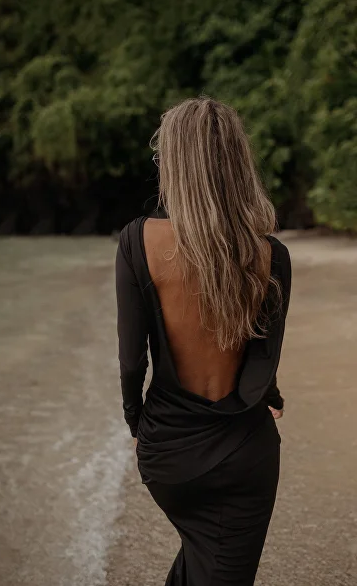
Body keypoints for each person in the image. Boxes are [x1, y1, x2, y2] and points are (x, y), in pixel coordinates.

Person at [115, 97, 291, 586]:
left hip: (168, 456)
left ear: (175, 165)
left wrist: (136, 422)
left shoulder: (136, 241)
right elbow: (262, 354)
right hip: (243, 456)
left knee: (201, 559)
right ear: (237, 165)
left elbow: (131, 361)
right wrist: (271, 396)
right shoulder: (270, 255)